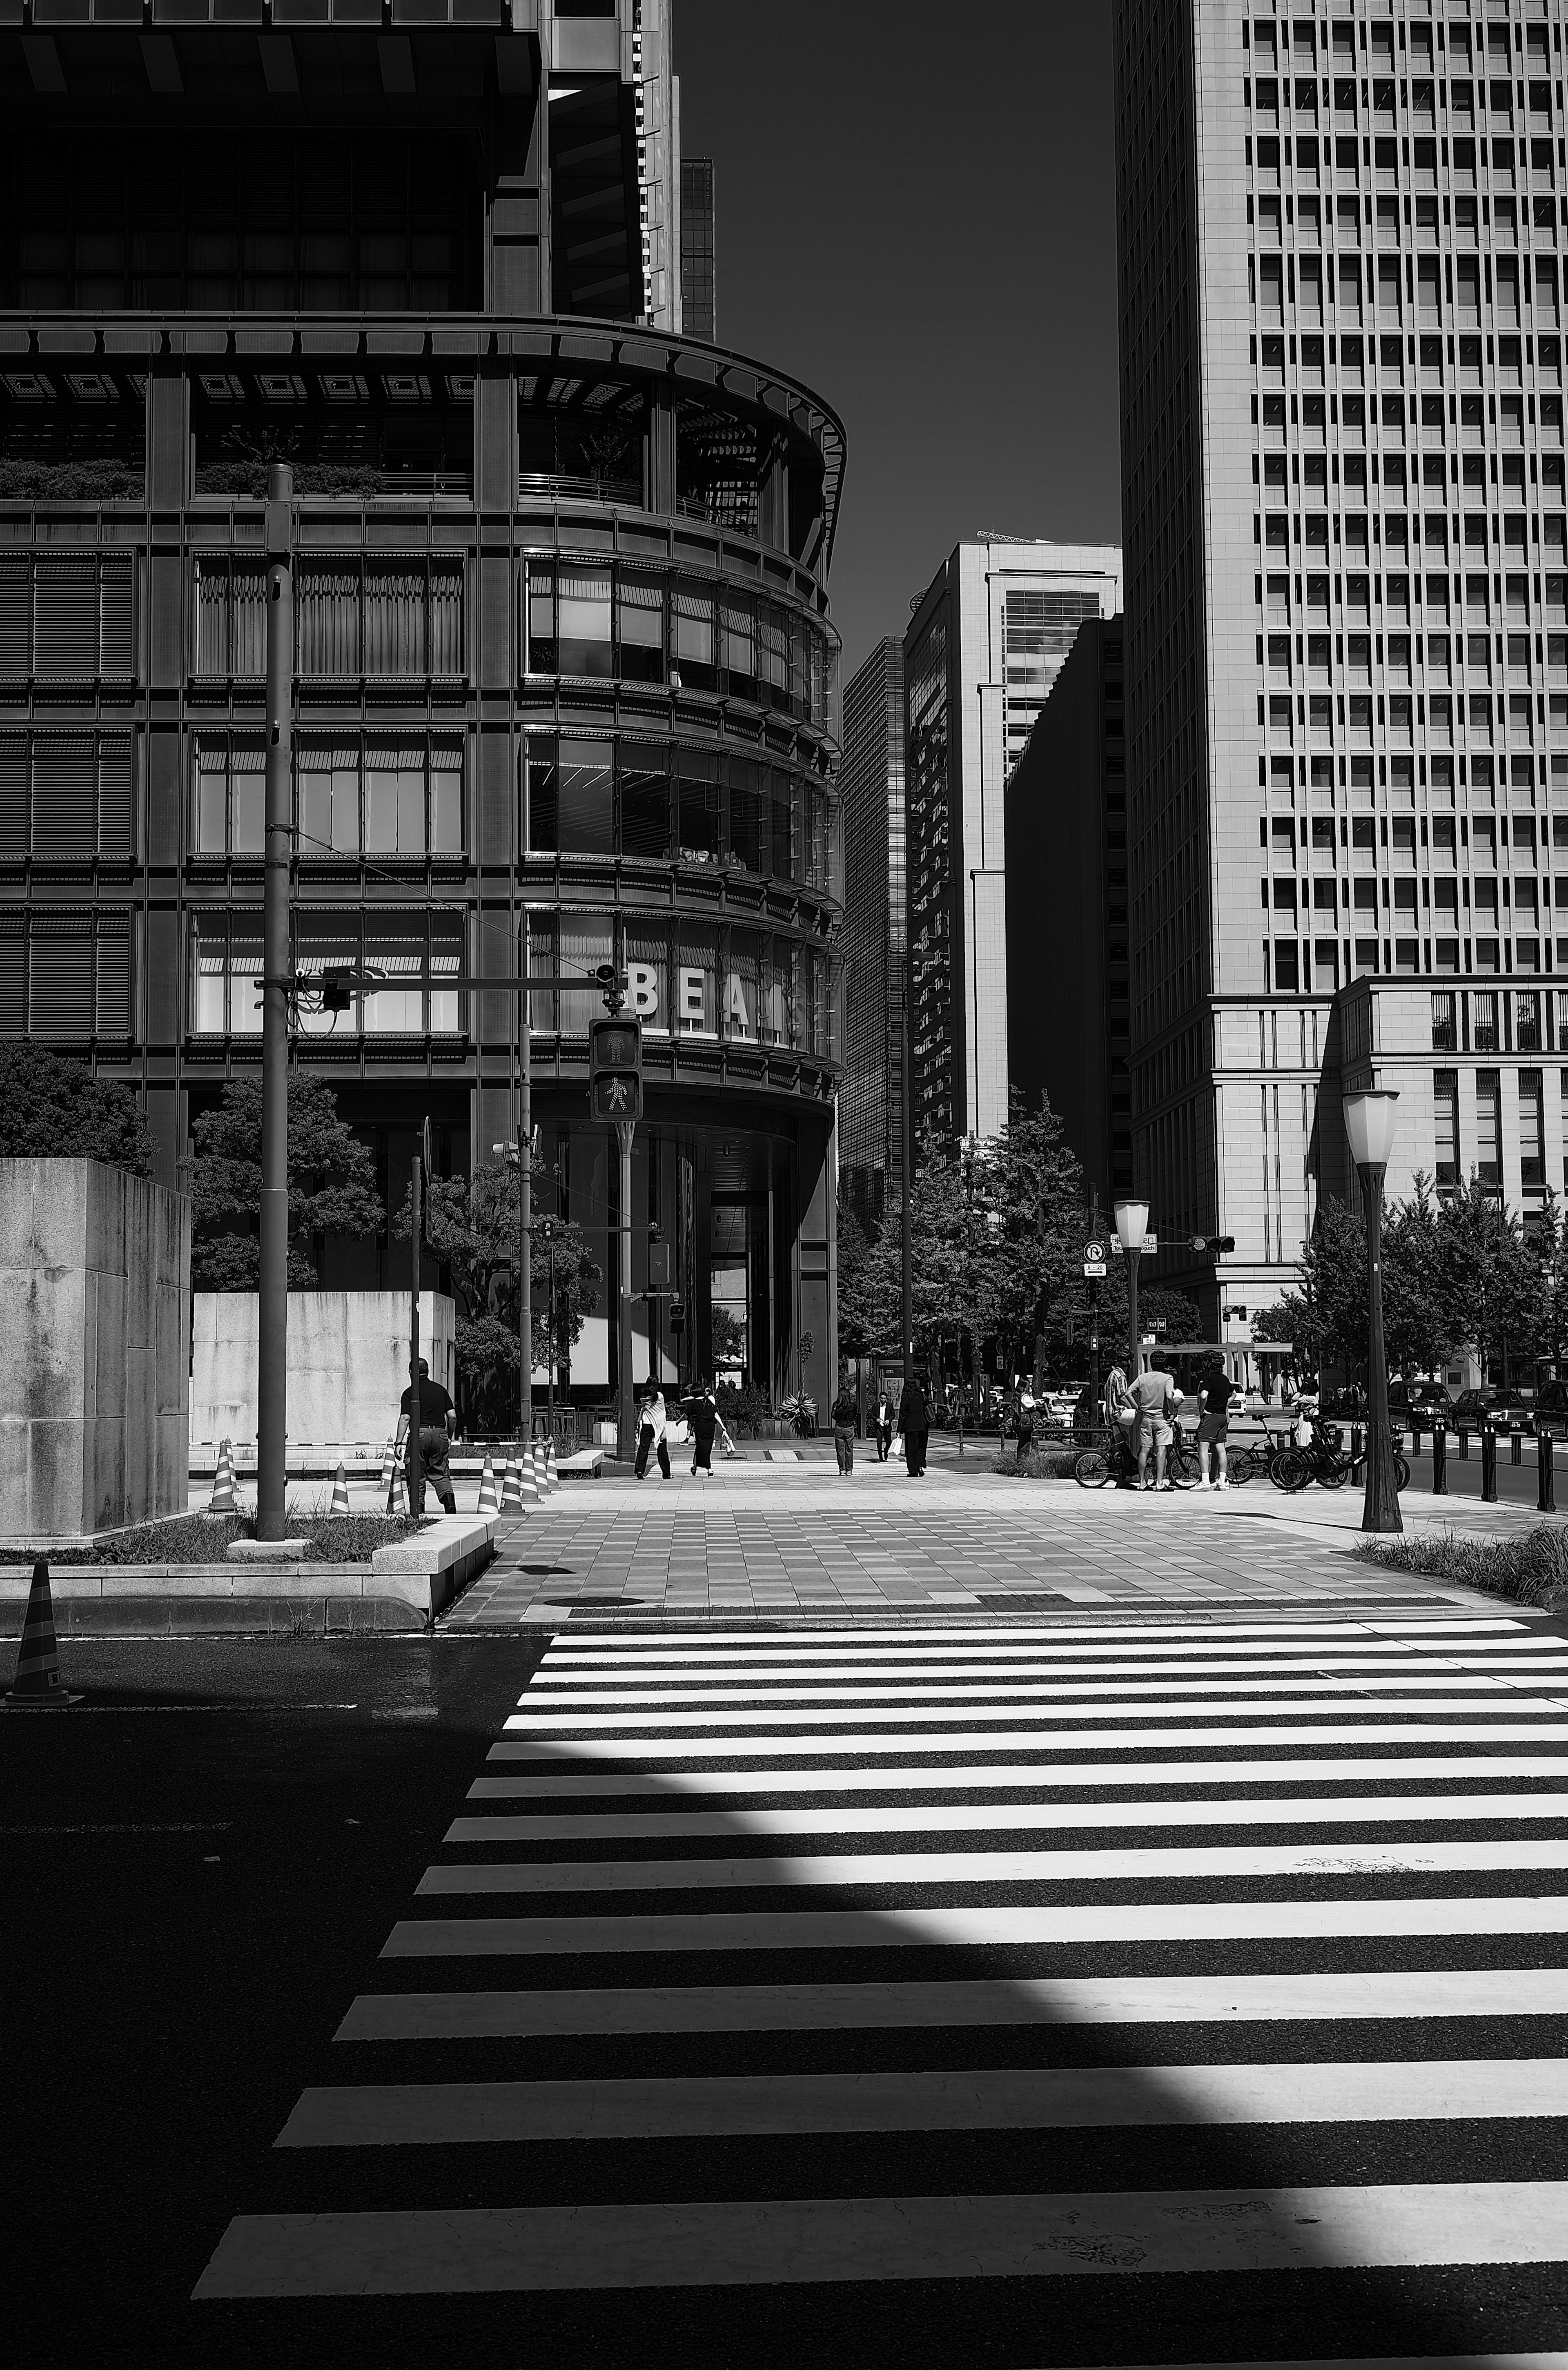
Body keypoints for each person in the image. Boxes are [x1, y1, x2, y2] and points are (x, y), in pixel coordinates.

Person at [399, 1356, 456, 1515]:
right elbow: (452, 1417)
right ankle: (450, 1505)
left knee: (416, 1472)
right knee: (441, 1473)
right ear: (428, 1371)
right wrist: (448, 1436)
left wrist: (398, 1442)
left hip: (420, 1435)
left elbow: (405, 1418)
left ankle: (419, 1510)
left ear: (411, 1373)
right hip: (440, 1434)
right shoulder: (441, 1390)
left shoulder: (410, 1393)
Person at [1129, 1357, 1179, 1491]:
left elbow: (1128, 1393)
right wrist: (1172, 1412)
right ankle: (1160, 1483)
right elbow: (1169, 1396)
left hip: (1146, 1418)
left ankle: (1142, 1483)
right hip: (1162, 1418)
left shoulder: (1142, 1378)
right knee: (1162, 1449)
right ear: (1164, 1364)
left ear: (1151, 1364)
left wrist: (1138, 1408)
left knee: (1144, 1450)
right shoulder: (1167, 1378)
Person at [1194, 1359, 1231, 1491]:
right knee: (1221, 1449)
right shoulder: (1225, 1379)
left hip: (1211, 1416)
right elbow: (1233, 1394)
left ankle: (1205, 1481)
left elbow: (1204, 1396)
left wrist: (1202, 1410)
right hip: (1223, 1417)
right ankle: (1222, 1482)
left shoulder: (1209, 1380)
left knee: (1203, 1448)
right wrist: (1225, 1404)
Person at [634, 1385, 670, 1480]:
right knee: (662, 1450)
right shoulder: (660, 1397)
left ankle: (640, 1471)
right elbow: (661, 1411)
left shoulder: (645, 1400)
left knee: (643, 1448)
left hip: (646, 1424)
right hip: (658, 1426)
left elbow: (644, 1409)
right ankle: (666, 1473)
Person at [684, 1378, 718, 1475]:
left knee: (703, 1448)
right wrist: (722, 1426)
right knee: (704, 1447)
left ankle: (709, 1469)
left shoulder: (694, 1403)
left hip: (700, 1427)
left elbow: (686, 1415)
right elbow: (715, 1413)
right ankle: (695, 1467)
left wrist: (678, 1421)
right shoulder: (707, 1401)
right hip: (710, 1427)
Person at [899, 1371, 930, 1477]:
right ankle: (921, 1466)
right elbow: (927, 1404)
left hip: (911, 1427)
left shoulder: (905, 1397)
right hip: (923, 1425)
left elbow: (903, 1414)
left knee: (911, 1449)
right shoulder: (921, 1395)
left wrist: (900, 1429)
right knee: (921, 1447)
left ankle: (913, 1471)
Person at [831, 1378, 858, 1475]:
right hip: (849, 1428)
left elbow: (833, 1416)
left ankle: (842, 1469)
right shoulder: (852, 1405)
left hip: (839, 1428)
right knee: (849, 1450)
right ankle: (849, 1469)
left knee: (840, 1451)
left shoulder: (836, 1405)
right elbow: (854, 1416)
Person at [1016, 1381, 1036, 1468]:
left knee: (1021, 1443)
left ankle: (1019, 1464)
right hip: (1025, 1419)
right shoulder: (1025, 1397)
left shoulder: (1016, 1396)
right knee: (1026, 1444)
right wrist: (1031, 1395)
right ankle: (1023, 1466)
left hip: (1018, 1420)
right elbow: (1034, 1406)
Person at [874, 1386, 895, 1462]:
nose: (883, 1400)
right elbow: (872, 1415)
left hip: (887, 1427)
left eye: (884, 1398)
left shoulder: (889, 1405)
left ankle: (886, 1451)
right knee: (879, 1443)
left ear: (886, 1399)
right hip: (879, 1427)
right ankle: (881, 1458)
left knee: (889, 1442)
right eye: (882, 1398)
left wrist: (889, 1420)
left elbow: (893, 1415)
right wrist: (876, 1419)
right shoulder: (876, 1405)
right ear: (880, 1398)